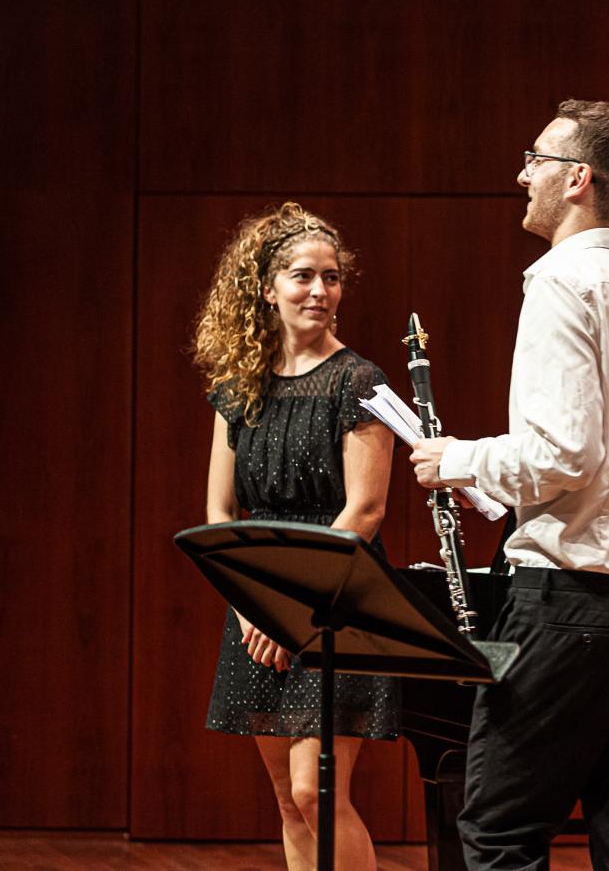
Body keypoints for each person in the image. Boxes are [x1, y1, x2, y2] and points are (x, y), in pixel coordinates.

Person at [409, 100, 609, 870]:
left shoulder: (563, 284)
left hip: (575, 604)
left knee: (501, 835)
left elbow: (559, 458)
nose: (521, 174)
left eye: (535, 159)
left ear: (577, 178)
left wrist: (458, 460)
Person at [193, 202, 396, 871]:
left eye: (332, 277)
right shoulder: (238, 388)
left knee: (317, 791)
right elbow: (221, 513)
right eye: (303, 276)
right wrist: (255, 605)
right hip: (256, 605)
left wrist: (292, 610)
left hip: (334, 600)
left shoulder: (358, 382)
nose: (320, 291)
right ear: (267, 286)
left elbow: (364, 513)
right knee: (286, 799)